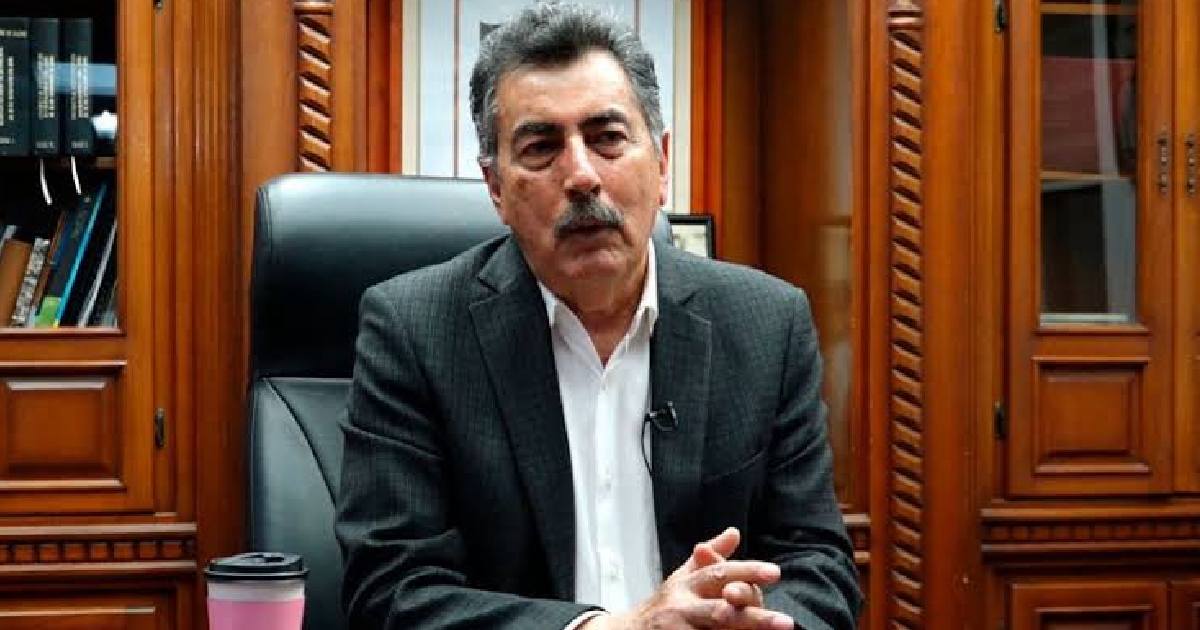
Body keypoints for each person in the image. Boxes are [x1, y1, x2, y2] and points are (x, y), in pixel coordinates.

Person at [335, 3, 862, 629]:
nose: (582, 175)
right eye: (541, 148)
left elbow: (819, 570)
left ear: (661, 162)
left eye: (608, 138)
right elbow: (390, 590)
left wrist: (744, 620)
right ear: (496, 188)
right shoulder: (414, 330)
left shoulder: (766, 324)